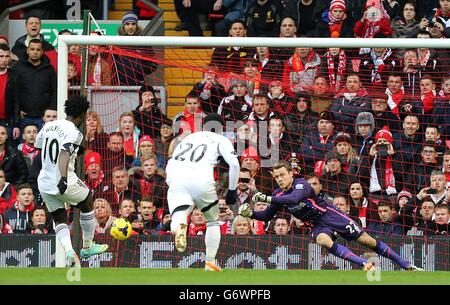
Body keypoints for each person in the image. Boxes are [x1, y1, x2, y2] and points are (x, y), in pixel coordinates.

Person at [238, 160, 422, 271]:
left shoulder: (302, 185)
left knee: (367, 241)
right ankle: (363, 263)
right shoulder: (277, 194)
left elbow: (294, 199)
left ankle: (406, 265)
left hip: (331, 215)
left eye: (282, 175)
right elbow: (266, 216)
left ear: (291, 174)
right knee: (323, 241)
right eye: (276, 176)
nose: (279, 179)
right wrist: (251, 213)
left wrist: (266, 197)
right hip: (316, 224)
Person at [35, 95, 108, 267]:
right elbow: (64, 153)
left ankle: (69, 251)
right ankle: (88, 246)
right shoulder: (75, 133)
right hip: (63, 180)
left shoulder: (49, 125)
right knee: (88, 202)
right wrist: (62, 178)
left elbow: (38, 145)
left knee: (59, 217)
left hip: (44, 182)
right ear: (82, 115)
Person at [166, 113, 240, 271]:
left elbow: (171, 161)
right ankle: (210, 262)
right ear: (221, 129)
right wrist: (232, 191)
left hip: (178, 179)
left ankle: (180, 226)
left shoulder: (187, 138)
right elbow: (234, 165)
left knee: (179, 214)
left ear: (202, 126)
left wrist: (171, 183)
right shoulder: (221, 139)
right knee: (213, 220)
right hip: (202, 181)